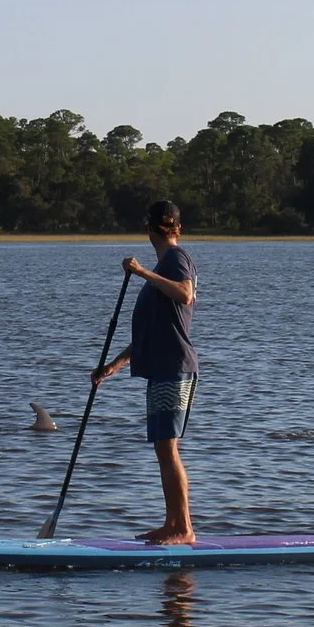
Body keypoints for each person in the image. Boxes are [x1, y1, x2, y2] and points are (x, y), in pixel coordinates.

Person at [95, 199, 199, 545]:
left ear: (148, 229)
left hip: (175, 367)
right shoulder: (164, 264)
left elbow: (185, 294)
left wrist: (143, 273)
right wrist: (114, 365)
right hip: (160, 368)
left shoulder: (176, 258)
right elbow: (148, 334)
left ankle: (183, 528)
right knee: (161, 448)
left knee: (168, 448)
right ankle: (172, 524)